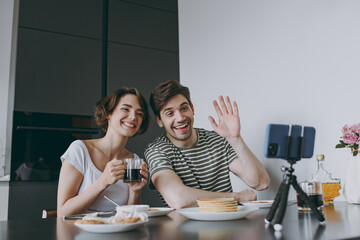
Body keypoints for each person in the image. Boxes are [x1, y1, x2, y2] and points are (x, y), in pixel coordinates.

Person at [144, 80, 270, 209]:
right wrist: (236, 197)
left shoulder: (217, 140)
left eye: (184, 108)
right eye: (170, 113)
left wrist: (235, 139)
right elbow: (179, 199)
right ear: (159, 121)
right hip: (184, 228)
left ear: (192, 109)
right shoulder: (157, 150)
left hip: (228, 225)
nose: (180, 118)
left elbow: (261, 183)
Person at [57, 87, 150, 217]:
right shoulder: (79, 150)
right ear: (108, 113)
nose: (133, 117)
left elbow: (131, 217)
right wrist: (103, 182)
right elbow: (62, 213)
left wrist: (135, 191)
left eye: (139, 113)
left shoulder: (133, 160)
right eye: (125, 109)